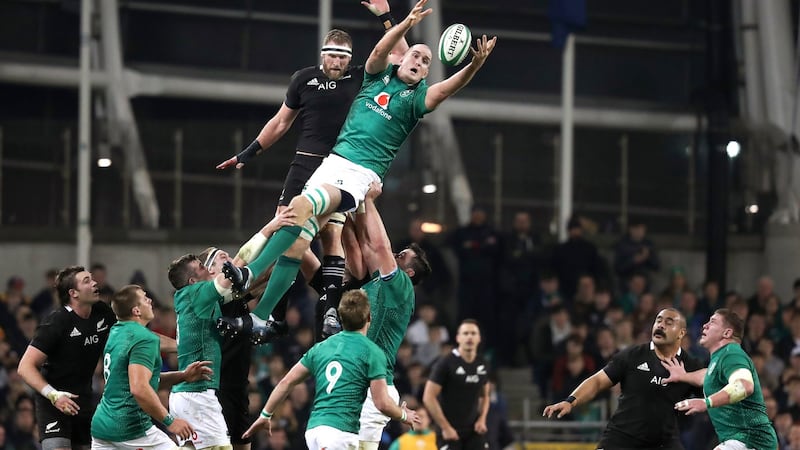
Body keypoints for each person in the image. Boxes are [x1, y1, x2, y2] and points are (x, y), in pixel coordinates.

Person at [223, 0, 497, 333]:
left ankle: (252, 276)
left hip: (359, 175)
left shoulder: (416, 100)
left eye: (426, 61)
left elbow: (446, 90)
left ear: (426, 73)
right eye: (415, 55)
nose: (419, 61)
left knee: (302, 207)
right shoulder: (374, 77)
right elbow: (382, 50)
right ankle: (259, 317)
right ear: (402, 57)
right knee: (296, 238)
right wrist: (403, 22)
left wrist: (474, 66)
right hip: (332, 162)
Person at [216, 0, 401, 342]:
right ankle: (282, 312)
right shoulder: (303, 79)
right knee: (288, 233)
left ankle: (323, 308)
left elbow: (399, 58)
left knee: (330, 237)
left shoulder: (363, 77)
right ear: (322, 54)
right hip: (303, 165)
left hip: (339, 168)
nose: (337, 62)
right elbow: (281, 122)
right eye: (332, 56)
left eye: (344, 57)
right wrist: (247, 153)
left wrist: (386, 17)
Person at [241, 290, 420, 450]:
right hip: (340, 434)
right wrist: (405, 415)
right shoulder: (373, 352)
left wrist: (266, 414)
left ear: (340, 318)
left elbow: (286, 382)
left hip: (315, 431)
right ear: (369, 318)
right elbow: (382, 403)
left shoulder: (321, 348)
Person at [343, 182, 431, 450]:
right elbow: (367, 248)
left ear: (410, 272)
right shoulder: (379, 282)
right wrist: (351, 208)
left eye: (402, 256)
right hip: (359, 377)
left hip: (376, 383)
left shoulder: (402, 287)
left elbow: (380, 246)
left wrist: (369, 199)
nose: (396, 254)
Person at [542, 308, 704, 450]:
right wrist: (570, 401)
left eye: (669, 322)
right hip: (621, 439)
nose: (661, 325)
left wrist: (686, 377)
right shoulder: (632, 355)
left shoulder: (691, 365)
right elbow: (598, 381)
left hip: (663, 443)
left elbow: (716, 389)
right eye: (658, 320)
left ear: (681, 333)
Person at [90, 285, 213, 449]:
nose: (150, 301)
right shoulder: (144, 338)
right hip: (129, 429)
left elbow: (143, 382)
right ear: (136, 311)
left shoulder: (117, 331)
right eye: (144, 298)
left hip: (102, 426)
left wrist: (182, 376)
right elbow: (139, 388)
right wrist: (170, 421)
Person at [16, 266, 119, 450]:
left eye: (92, 279)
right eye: (87, 281)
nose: (95, 283)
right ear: (73, 293)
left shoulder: (102, 312)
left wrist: (178, 346)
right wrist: (54, 395)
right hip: (53, 403)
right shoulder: (56, 322)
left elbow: (135, 335)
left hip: (84, 401)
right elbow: (25, 367)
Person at [669, 309, 778, 450]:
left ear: (727, 333)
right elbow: (707, 376)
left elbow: (744, 385)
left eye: (712, 322)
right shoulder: (721, 358)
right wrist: (683, 376)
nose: (705, 325)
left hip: (752, 441)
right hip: (748, 441)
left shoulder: (731, 353)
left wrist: (706, 402)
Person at [423, 319, 490, 450]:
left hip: (473, 431)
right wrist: (445, 427)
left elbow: (485, 396)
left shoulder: (483, 363)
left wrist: (482, 419)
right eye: (465, 333)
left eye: (473, 333)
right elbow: (428, 397)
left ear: (479, 338)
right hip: (449, 431)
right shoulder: (445, 363)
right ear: (458, 338)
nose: (469, 337)